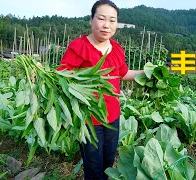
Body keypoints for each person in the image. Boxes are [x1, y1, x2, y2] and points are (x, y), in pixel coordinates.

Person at [57, 0, 144, 179]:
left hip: (112, 116)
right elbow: (62, 77)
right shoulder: (79, 47)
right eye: (101, 18)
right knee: (93, 165)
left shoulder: (116, 49)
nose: (106, 25)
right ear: (91, 20)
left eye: (112, 20)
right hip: (89, 119)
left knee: (108, 163)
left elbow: (123, 73)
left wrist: (146, 73)